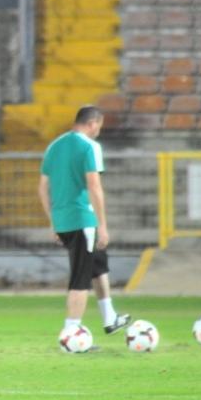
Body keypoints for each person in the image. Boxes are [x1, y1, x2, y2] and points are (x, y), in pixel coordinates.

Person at [37, 105, 131, 340]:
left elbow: (42, 187)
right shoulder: (90, 147)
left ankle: (110, 318)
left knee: (98, 266)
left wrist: (52, 222)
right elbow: (94, 186)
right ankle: (70, 332)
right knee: (80, 277)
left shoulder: (54, 146)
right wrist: (103, 225)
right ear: (92, 123)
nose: (98, 131)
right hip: (83, 220)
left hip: (63, 221)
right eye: (99, 126)